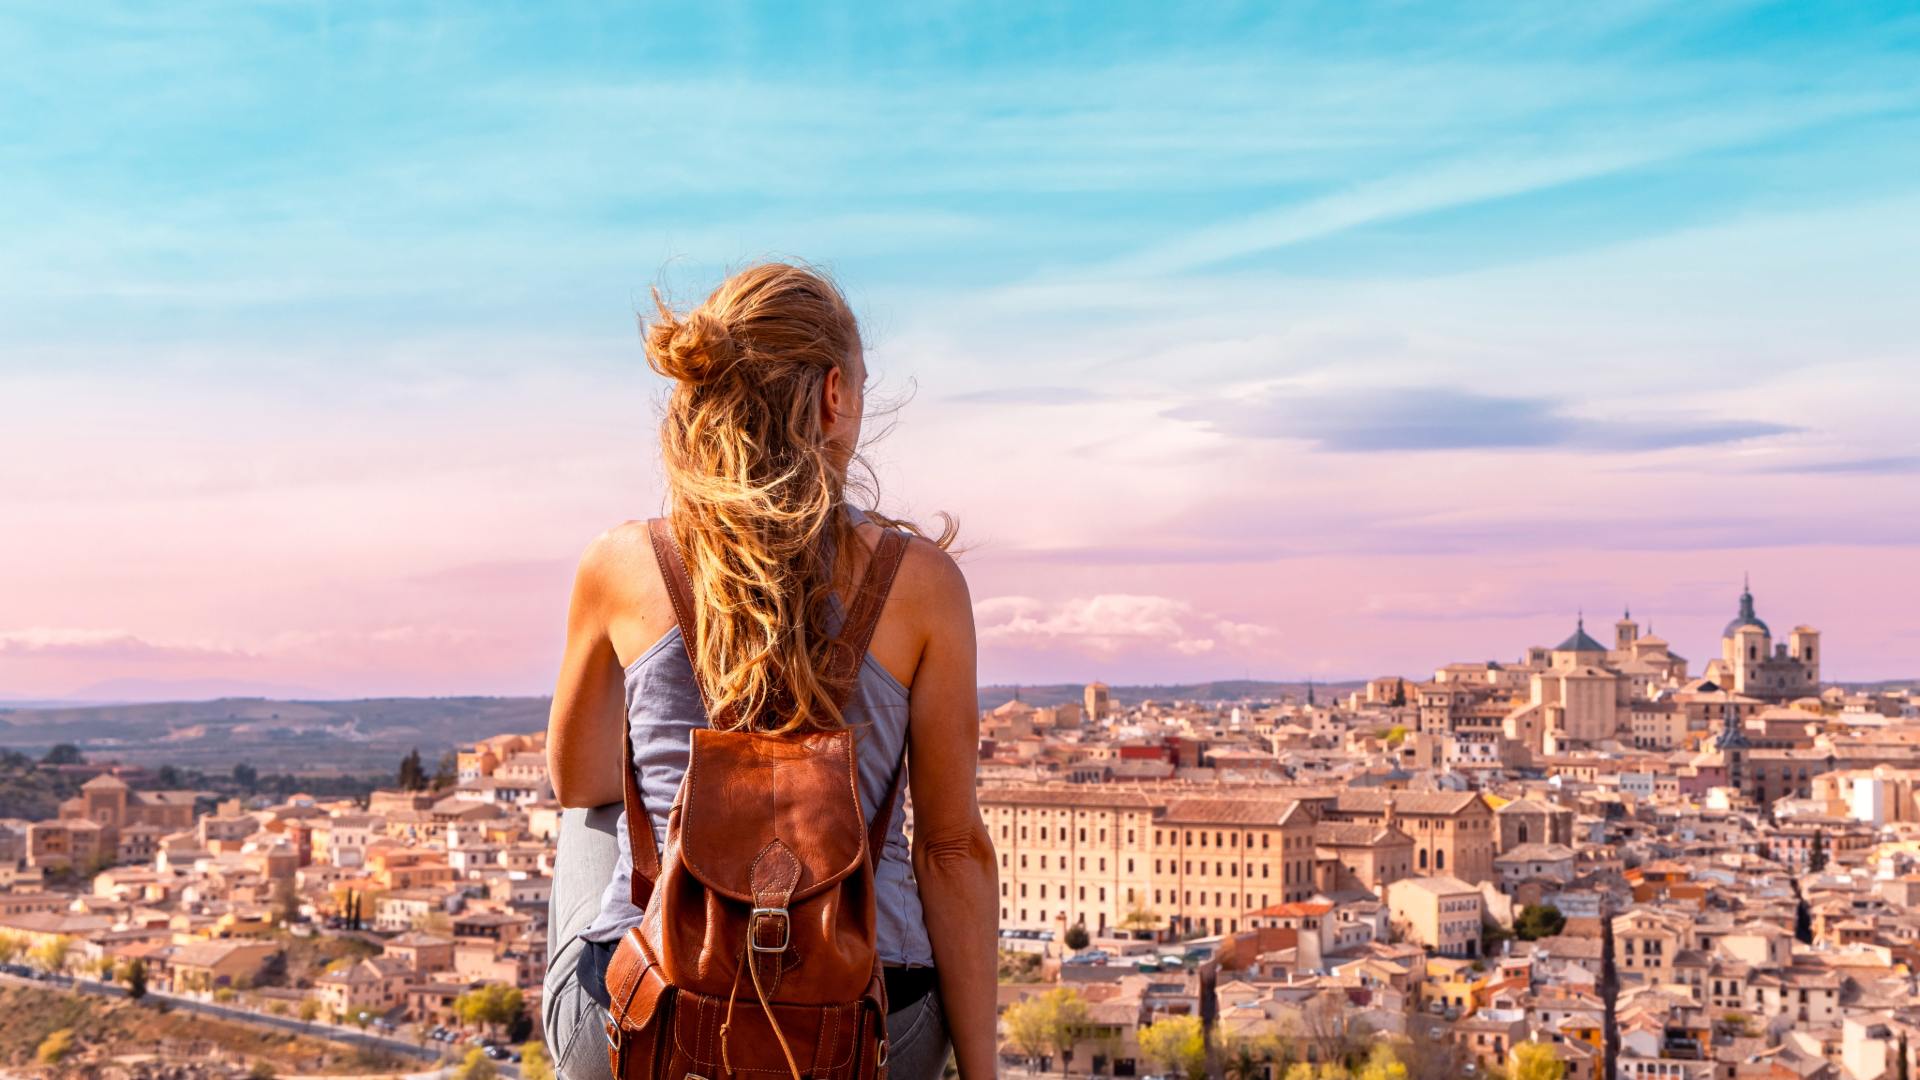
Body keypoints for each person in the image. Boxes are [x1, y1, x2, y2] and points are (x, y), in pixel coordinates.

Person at [543, 263, 998, 1080]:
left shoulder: (620, 562)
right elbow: (952, 848)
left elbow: (577, 780)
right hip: (867, 1034)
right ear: (834, 394)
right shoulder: (922, 582)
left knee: (594, 816)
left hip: (651, 1025)